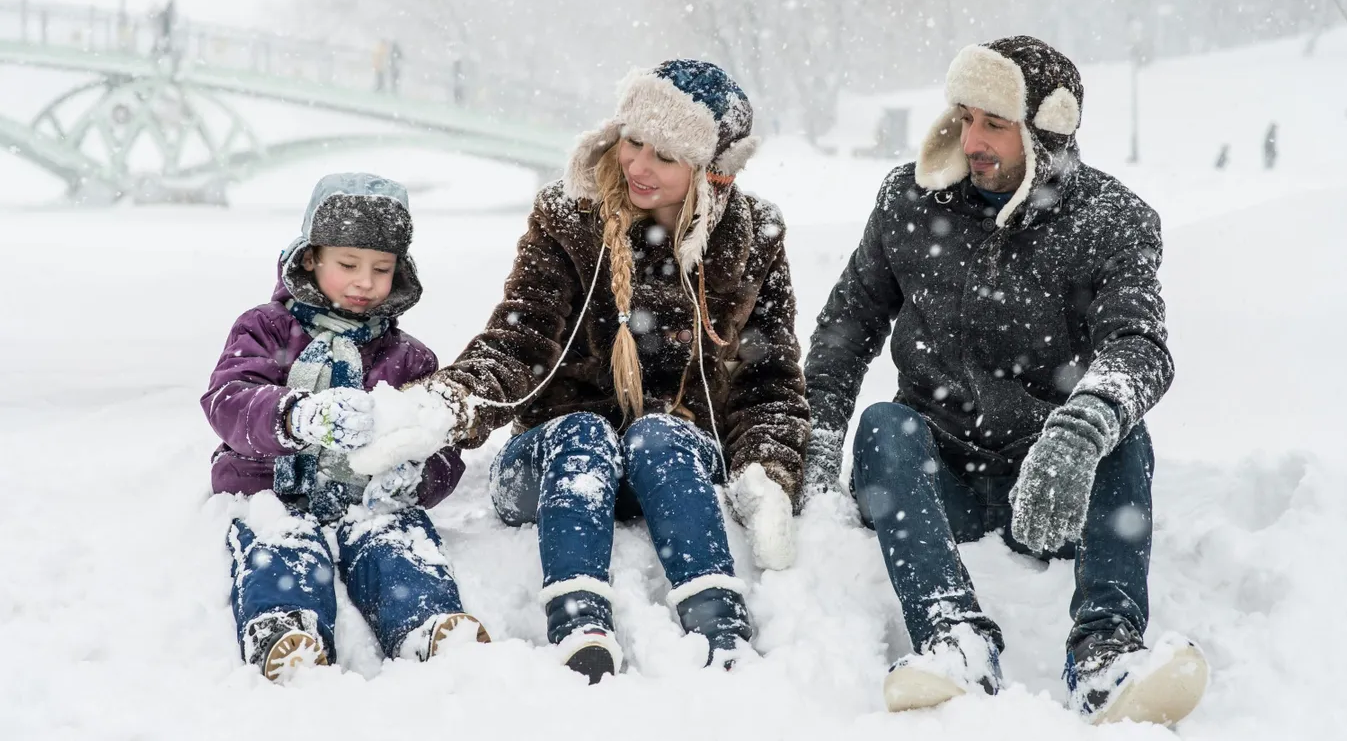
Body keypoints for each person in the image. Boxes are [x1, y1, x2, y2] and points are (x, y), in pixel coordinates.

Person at [803, 36, 1207, 725]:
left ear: (1044, 132)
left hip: (1052, 489)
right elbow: (845, 330)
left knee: (1122, 431)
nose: (972, 139)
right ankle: (952, 636)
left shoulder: (1111, 221)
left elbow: (1139, 345)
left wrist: (1079, 431)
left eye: (994, 123)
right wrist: (812, 445)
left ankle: (1105, 653)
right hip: (936, 479)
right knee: (881, 426)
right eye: (963, 117)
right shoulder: (908, 200)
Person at [366, 60, 809, 683]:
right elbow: (518, 340)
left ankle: (719, 625)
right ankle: (579, 621)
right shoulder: (568, 218)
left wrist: (769, 471)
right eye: (633, 140)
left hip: (669, 467)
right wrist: (446, 404)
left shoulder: (751, 236)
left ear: (712, 172)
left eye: (664, 155)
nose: (637, 165)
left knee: (661, 434)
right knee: (584, 433)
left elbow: (770, 379)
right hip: (552, 463)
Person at [202, 173, 488, 682]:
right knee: (281, 543)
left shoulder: (409, 358)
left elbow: (441, 446)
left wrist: (417, 476)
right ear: (311, 257)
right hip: (270, 488)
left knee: (397, 541)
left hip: (366, 500)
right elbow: (229, 399)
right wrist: (295, 415)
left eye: (381, 268)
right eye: (348, 265)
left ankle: (426, 622)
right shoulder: (265, 329)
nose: (365, 282)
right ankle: (285, 627)